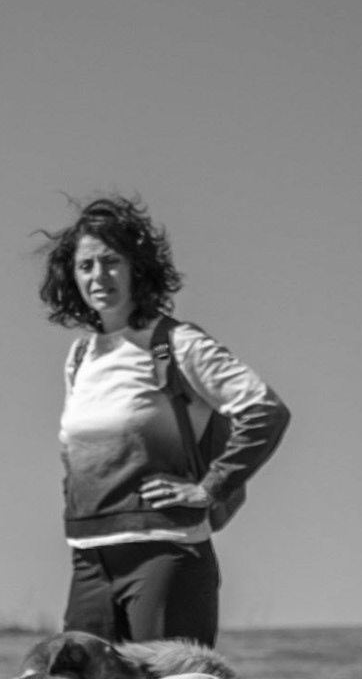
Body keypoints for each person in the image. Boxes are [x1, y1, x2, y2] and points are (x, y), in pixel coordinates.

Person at [38, 195, 290, 644]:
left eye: (112, 261)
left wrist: (209, 488)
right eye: (86, 266)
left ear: (138, 268)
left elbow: (264, 410)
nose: (99, 276)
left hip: (165, 551)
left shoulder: (177, 343)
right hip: (89, 558)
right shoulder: (81, 356)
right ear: (71, 277)